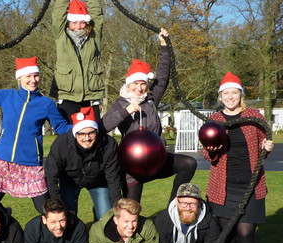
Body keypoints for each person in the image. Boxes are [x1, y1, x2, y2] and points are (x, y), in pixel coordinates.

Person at [100, 28, 197, 203]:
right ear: (128, 85)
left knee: (189, 163)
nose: (139, 88)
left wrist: (163, 45)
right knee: (131, 210)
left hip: (157, 160)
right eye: (135, 84)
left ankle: (172, 208)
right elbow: (103, 126)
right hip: (133, 168)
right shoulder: (120, 103)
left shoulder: (151, 99)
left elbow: (162, 76)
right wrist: (126, 111)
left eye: (143, 83)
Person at [0, 52, 71, 214]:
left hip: (31, 166)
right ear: (20, 78)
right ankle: (4, 218)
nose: (33, 80)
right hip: (4, 163)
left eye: (36, 76)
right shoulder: (8, 96)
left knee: (47, 213)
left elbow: (62, 127)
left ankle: (55, 236)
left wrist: (84, 127)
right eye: (28, 76)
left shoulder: (46, 104)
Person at [202, 72, 274, 243]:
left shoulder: (254, 115)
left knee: (246, 233)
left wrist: (268, 148)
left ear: (240, 94)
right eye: (226, 93)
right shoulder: (214, 119)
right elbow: (206, 152)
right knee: (228, 234)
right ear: (221, 96)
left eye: (234, 92)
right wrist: (211, 152)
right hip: (223, 187)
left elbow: (263, 145)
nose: (230, 96)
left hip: (251, 185)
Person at [44, 106, 121, 220]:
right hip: (69, 181)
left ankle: (99, 214)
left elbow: (113, 177)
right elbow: (51, 176)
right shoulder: (61, 144)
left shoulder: (109, 144)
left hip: (98, 181)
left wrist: (117, 207)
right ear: (75, 134)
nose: (87, 138)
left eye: (91, 133)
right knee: (67, 217)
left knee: (106, 217)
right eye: (82, 134)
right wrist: (57, 204)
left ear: (97, 132)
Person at [50, 0, 104, 122]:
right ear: (68, 22)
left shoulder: (94, 36)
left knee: (93, 134)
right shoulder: (60, 36)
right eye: (74, 22)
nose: (78, 26)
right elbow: (58, 14)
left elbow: (97, 14)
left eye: (82, 22)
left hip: (91, 95)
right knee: (69, 135)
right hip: (67, 96)